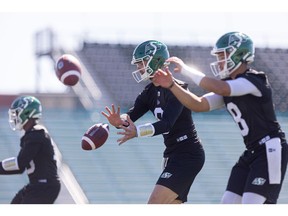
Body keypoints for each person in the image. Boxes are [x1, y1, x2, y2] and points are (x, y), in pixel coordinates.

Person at [152, 31, 288, 204]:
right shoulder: (228, 85)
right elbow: (199, 104)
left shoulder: (254, 80)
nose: (220, 60)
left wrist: (186, 70)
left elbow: (223, 88)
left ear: (239, 54)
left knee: (252, 204)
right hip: (251, 151)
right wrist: (172, 85)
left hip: (270, 148)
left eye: (223, 55)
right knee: (228, 203)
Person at [102, 40, 205, 204]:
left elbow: (167, 124)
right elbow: (130, 117)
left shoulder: (177, 89)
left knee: (154, 204)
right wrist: (117, 121)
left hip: (188, 154)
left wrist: (137, 132)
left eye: (141, 63)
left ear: (155, 61)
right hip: (173, 154)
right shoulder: (149, 92)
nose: (138, 68)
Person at [0, 95, 61, 204]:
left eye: (17, 113)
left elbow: (20, 163)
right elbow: (20, 168)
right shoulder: (32, 135)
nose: (14, 117)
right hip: (38, 185)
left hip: (44, 186)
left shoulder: (36, 135)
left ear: (27, 113)